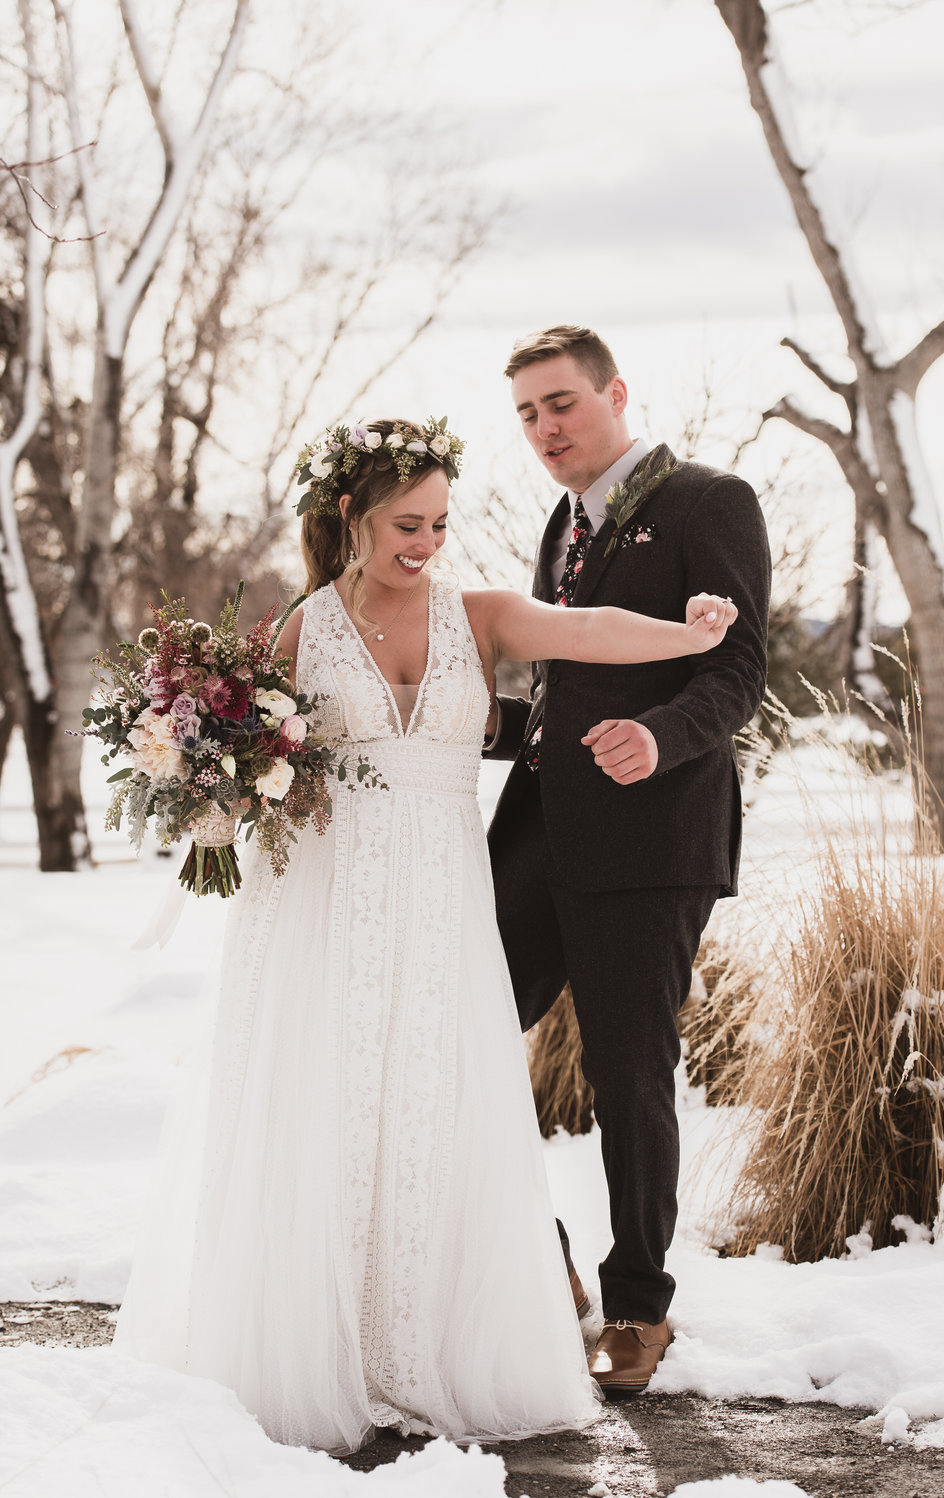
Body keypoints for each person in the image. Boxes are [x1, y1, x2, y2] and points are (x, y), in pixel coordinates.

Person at [113, 413, 738, 1454]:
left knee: (432, 1097)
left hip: (443, 901)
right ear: (351, 518)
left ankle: (430, 1339)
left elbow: (585, 631)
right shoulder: (291, 634)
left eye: (441, 522)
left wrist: (690, 635)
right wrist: (212, 791)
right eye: (409, 522)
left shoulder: (476, 614)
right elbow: (230, 758)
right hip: (326, 901)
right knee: (331, 1096)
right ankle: (320, 1344)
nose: (428, 542)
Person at [485, 326, 771, 1396]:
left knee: (625, 1071)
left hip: (653, 839)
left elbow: (738, 667)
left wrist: (661, 737)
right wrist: (470, 722)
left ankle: (638, 1303)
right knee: (455, 1031)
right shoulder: (560, 523)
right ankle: (541, 1257)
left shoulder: (708, 500)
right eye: (525, 413)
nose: (543, 429)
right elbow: (570, 687)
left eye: (559, 404)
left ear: (613, 392)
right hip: (535, 831)